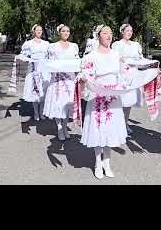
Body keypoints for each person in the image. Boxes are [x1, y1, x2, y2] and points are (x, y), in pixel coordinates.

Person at [77, 25, 128, 179]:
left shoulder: (116, 54)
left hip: (113, 97)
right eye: (105, 33)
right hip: (98, 96)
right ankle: (98, 162)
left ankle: (107, 162)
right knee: (99, 130)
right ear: (98, 36)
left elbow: (125, 73)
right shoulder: (91, 56)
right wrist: (83, 78)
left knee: (110, 130)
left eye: (111, 33)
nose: (109, 35)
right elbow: (85, 73)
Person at [43, 24, 79, 140]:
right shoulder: (53, 46)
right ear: (59, 33)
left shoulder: (74, 46)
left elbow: (77, 61)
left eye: (68, 31)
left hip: (69, 79)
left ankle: (64, 127)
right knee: (58, 104)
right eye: (64, 31)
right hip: (57, 80)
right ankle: (59, 128)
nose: (66, 33)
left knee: (68, 105)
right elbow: (48, 62)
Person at [111, 23, 143, 136]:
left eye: (131, 31)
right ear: (122, 32)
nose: (129, 33)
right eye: (127, 30)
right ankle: (117, 125)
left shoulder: (135, 45)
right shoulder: (117, 44)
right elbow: (113, 58)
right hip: (122, 75)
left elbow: (140, 59)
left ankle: (125, 123)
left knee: (129, 102)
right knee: (121, 101)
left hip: (133, 76)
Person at [19, 24, 50, 121]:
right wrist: (27, 59)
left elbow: (50, 56)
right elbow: (23, 54)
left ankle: (42, 113)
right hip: (33, 69)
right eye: (37, 30)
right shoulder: (29, 43)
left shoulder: (46, 44)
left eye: (41, 30)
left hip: (44, 69)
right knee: (35, 91)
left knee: (43, 91)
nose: (39, 31)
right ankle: (36, 113)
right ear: (34, 32)